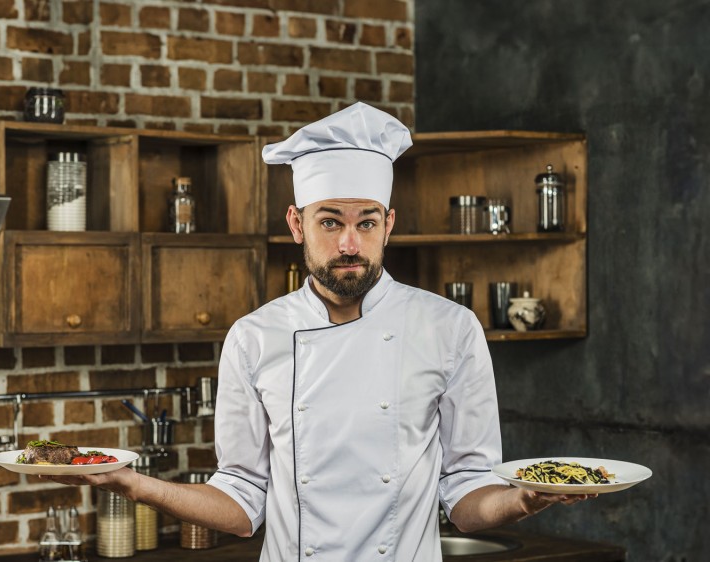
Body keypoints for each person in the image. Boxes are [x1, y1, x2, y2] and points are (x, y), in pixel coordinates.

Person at [47, 102, 591, 561]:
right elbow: (241, 503)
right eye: (330, 222)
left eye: (366, 222)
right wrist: (134, 485)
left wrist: (523, 499)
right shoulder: (254, 337)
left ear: (388, 225)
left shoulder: (449, 328)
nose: (350, 244)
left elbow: (467, 493)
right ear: (296, 225)